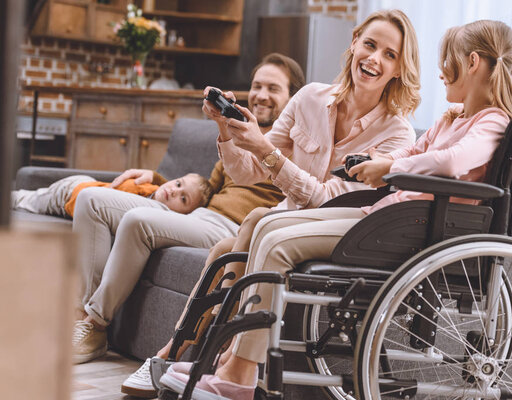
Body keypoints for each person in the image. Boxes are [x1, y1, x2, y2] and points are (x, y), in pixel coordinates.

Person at [161, 18, 512, 400]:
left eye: (446, 62)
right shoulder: (453, 118)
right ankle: (225, 363)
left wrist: (390, 167)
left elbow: (451, 163)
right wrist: (372, 161)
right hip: (391, 216)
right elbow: (414, 151)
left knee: (277, 241)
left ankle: (238, 374)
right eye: (370, 46)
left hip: (411, 227)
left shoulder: (494, 121)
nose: (440, 72)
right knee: (267, 224)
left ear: (470, 62)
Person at [125, 8, 421, 398]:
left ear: (399, 68)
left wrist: (267, 151)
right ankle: (181, 352)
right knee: (222, 251)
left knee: (257, 222)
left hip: (327, 231)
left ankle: (225, 361)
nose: (374, 59)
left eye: (389, 54)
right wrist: (226, 131)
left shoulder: (397, 133)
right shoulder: (310, 98)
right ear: (353, 44)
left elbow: (328, 199)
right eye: (369, 45)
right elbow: (248, 173)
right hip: (283, 221)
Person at [70, 53, 305, 372]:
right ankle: (80, 317)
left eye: (273, 89)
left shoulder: (295, 144)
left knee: (138, 222)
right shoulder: (239, 133)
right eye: (257, 86)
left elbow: (291, 191)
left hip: (233, 229)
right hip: (201, 216)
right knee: (92, 200)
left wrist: (254, 142)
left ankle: (95, 324)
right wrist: (158, 181)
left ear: (292, 97)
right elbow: (210, 186)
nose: (262, 95)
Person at [11, 173, 211, 217]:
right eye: (178, 183)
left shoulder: (153, 212)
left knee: (28, 197)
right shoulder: (144, 188)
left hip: (80, 190)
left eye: (183, 198)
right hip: (71, 191)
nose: (174, 190)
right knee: (26, 200)